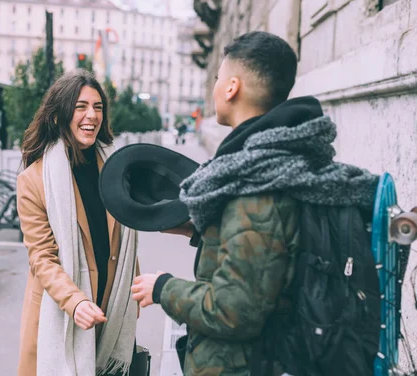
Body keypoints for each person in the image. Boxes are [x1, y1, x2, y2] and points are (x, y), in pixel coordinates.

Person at [131, 31, 380, 375]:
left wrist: (162, 287)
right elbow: (275, 250)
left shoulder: (254, 182)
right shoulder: (281, 163)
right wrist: (203, 233)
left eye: (218, 79)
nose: (215, 87)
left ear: (232, 87)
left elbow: (235, 311)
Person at [16, 69, 140, 376]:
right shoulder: (34, 180)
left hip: (109, 306)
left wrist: (134, 286)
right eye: (81, 106)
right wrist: (74, 302)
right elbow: (42, 257)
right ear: (59, 115)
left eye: (98, 107)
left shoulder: (115, 168)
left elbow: (126, 233)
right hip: (61, 310)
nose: (92, 115)